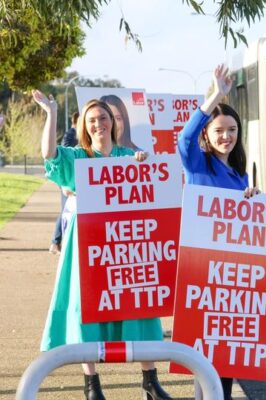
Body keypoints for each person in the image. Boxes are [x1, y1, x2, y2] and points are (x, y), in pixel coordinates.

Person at [32, 89, 173, 400]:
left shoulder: (128, 157)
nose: (99, 124)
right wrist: (51, 112)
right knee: (85, 309)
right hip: (87, 246)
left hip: (126, 248)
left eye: (104, 118)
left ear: (114, 123)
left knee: (138, 305)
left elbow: (154, 191)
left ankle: (150, 379)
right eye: (92, 120)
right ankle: (91, 384)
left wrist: (143, 165)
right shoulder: (77, 158)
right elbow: (49, 156)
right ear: (85, 125)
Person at [178, 64, 260, 400]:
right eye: (219, 130)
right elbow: (183, 138)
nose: (226, 136)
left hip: (233, 272)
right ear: (207, 136)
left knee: (225, 351)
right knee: (205, 351)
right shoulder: (198, 165)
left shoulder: (239, 174)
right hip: (204, 270)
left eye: (232, 129)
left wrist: (254, 200)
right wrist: (215, 96)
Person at [49, 111, 79, 255]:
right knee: (66, 210)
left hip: (72, 179)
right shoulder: (71, 134)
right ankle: (55, 243)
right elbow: (64, 149)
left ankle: (57, 243)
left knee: (67, 210)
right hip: (68, 180)